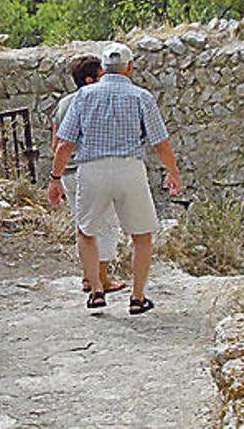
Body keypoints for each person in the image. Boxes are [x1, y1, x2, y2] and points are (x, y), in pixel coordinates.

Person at [47, 43, 182, 315]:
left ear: (104, 68)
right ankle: (137, 297)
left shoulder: (83, 97)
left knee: (86, 232)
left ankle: (96, 291)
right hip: (129, 169)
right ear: (129, 67)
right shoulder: (141, 97)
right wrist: (172, 171)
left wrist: (55, 179)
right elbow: (160, 142)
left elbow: (63, 144)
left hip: (91, 171)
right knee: (141, 235)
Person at [51, 55, 125, 295]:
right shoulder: (99, 101)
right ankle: (100, 280)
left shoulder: (63, 104)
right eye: (103, 75)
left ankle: (88, 276)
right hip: (93, 170)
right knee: (108, 226)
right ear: (91, 79)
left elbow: (57, 143)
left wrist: (55, 177)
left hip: (68, 174)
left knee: (84, 226)